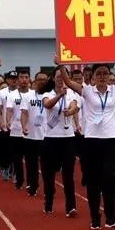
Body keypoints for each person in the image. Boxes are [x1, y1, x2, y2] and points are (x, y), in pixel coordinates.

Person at [60, 61, 115, 230]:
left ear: (110, 76)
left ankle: (111, 218)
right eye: (98, 73)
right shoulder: (86, 91)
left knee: (109, 178)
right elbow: (68, 81)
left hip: (111, 140)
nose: (102, 76)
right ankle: (95, 218)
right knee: (93, 181)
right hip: (92, 140)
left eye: (105, 73)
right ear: (92, 77)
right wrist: (61, 65)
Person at [39, 69, 79, 215]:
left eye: (64, 77)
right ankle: (48, 203)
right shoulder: (47, 93)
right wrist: (59, 95)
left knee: (68, 174)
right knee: (48, 175)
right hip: (50, 138)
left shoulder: (72, 93)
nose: (61, 79)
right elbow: (47, 105)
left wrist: (71, 110)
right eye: (58, 77)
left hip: (68, 138)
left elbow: (75, 106)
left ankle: (71, 206)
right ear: (53, 78)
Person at [19, 72, 49, 196]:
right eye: (39, 79)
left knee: (47, 165)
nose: (41, 81)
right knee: (31, 164)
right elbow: (24, 113)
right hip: (31, 135)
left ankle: (49, 188)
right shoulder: (28, 96)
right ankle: (33, 185)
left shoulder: (51, 95)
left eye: (44, 79)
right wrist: (24, 126)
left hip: (47, 135)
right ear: (35, 81)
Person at [7, 71, 32, 191]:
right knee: (17, 158)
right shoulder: (12, 95)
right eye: (21, 77)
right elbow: (9, 110)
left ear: (29, 79)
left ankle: (31, 182)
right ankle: (19, 180)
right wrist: (7, 122)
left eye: (26, 77)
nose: (24, 80)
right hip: (16, 130)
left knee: (29, 158)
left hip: (30, 131)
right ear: (18, 80)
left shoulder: (33, 94)